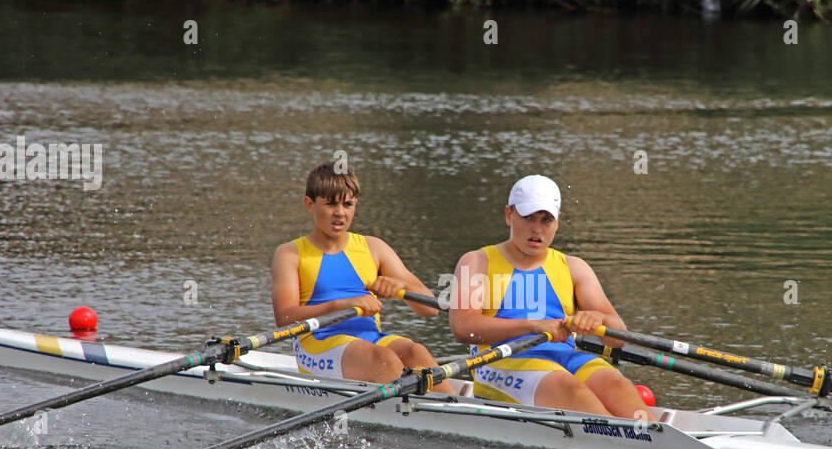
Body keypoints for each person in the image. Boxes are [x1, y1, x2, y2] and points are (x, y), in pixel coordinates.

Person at [448, 174, 656, 418]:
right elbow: (463, 328)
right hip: (501, 363)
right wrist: (534, 325)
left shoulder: (575, 267)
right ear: (509, 215)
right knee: (571, 390)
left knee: (617, 384)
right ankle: (630, 443)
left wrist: (597, 319)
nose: (536, 229)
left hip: (565, 359)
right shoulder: (475, 262)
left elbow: (617, 338)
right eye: (528, 217)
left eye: (546, 220)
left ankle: (654, 444)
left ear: (557, 221)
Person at [272, 162, 455, 394]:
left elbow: (430, 309)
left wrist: (400, 286)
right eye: (330, 204)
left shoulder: (374, 248)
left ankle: (457, 415)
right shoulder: (290, 253)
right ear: (310, 204)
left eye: (347, 204)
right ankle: (419, 417)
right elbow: (285, 318)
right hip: (318, 343)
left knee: (414, 351)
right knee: (385, 359)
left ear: (355, 205)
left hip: (371, 338)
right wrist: (344, 305)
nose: (340, 212)